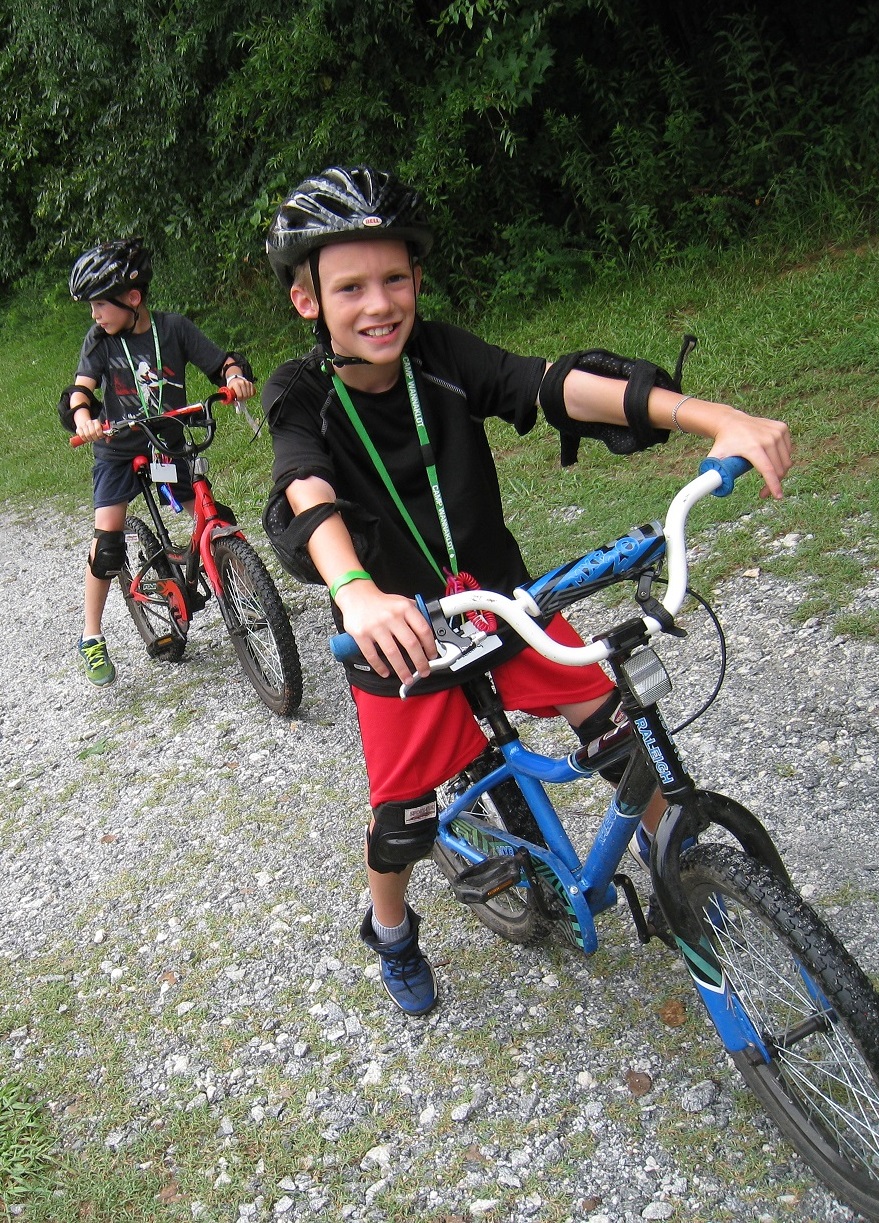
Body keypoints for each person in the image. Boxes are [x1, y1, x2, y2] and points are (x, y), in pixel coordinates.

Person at [260, 166, 792, 1016]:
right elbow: (303, 486)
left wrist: (710, 417)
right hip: (397, 635)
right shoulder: (301, 393)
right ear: (307, 302)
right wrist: (356, 591)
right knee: (401, 822)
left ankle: (677, 868)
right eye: (349, 286)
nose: (378, 303)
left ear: (418, 280)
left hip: (501, 603)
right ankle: (390, 928)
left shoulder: (441, 355)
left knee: (617, 728)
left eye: (394, 278)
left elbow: (550, 385)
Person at [60, 237, 257, 686]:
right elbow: (82, 389)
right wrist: (85, 417)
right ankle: (91, 636)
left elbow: (220, 362)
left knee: (211, 517)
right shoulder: (99, 341)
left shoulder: (173, 329)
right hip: (116, 445)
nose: (94, 315)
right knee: (108, 543)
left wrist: (235, 377)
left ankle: (237, 584)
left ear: (133, 299)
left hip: (167, 439)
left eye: (99, 305)